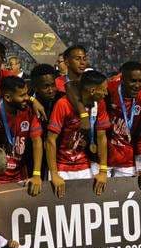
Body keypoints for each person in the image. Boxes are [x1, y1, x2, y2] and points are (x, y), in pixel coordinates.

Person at [46, 70, 111, 198]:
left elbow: (102, 136)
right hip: (61, 167)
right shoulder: (63, 104)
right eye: (103, 90)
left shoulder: (100, 104)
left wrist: (103, 170)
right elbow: (50, 140)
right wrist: (54, 173)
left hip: (84, 166)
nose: (106, 93)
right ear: (92, 91)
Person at [0, 76, 43, 194]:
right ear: (8, 97)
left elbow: (37, 141)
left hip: (20, 177)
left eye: (27, 94)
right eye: (22, 96)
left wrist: (36, 174)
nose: (27, 98)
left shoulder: (29, 111)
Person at [105, 61, 141, 188]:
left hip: (126, 157)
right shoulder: (109, 89)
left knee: (123, 195)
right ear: (122, 79)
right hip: (104, 155)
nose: (137, 85)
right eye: (133, 81)